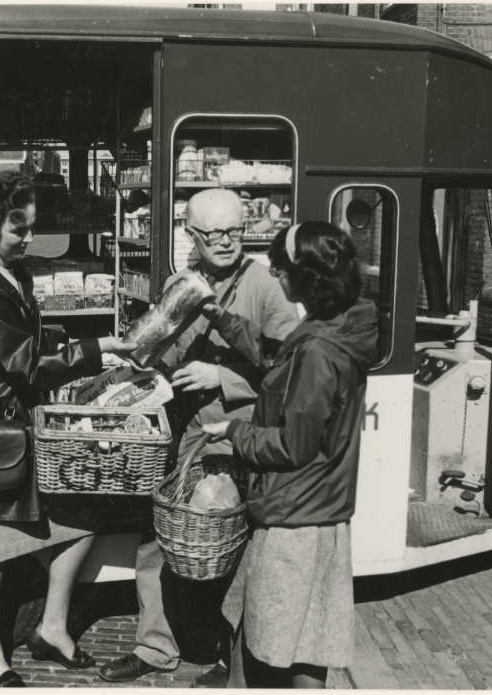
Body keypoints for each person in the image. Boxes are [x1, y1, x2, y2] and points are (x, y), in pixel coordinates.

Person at [0, 171, 136, 688]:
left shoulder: (10, 275)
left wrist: (71, 347)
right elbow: (25, 363)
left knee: (80, 520)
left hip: (13, 426)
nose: (29, 238)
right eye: (19, 228)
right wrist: (98, 349)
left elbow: (25, 344)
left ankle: (52, 628)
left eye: (32, 227)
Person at [97, 188, 299, 687]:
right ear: (191, 235)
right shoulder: (180, 284)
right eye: (214, 233)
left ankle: (230, 658)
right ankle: (155, 647)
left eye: (235, 231)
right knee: (160, 536)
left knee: (232, 548)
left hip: (241, 435)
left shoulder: (264, 287)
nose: (226, 241)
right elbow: (166, 353)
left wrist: (223, 377)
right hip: (186, 433)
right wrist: (131, 366)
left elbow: (293, 368)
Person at [200, 220, 379, 688]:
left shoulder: (318, 350)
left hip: (293, 515)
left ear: (306, 275)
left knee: (261, 642)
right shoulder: (338, 324)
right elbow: (276, 358)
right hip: (320, 509)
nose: (276, 277)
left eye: (281, 269)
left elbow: (293, 445)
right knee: (308, 641)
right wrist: (221, 317)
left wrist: (235, 431)